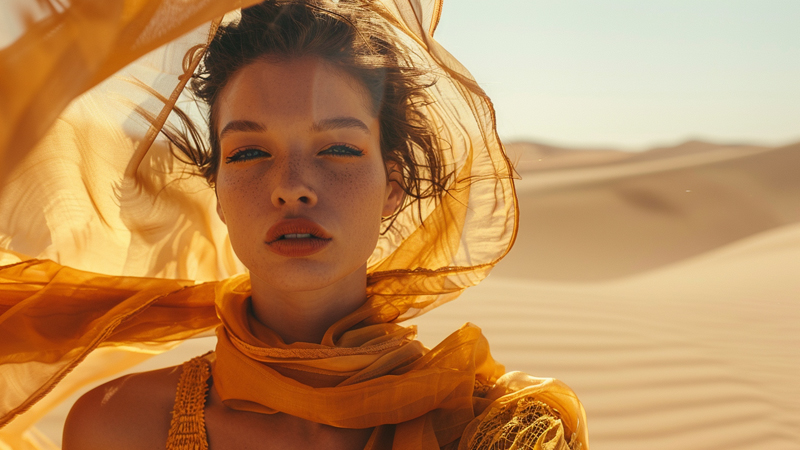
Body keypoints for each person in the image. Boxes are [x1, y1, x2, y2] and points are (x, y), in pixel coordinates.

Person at [0, 1, 588, 449]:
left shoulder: (497, 430)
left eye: (338, 149)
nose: (292, 185)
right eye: (250, 154)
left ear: (394, 186)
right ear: (219, 195)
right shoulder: (119, 426)